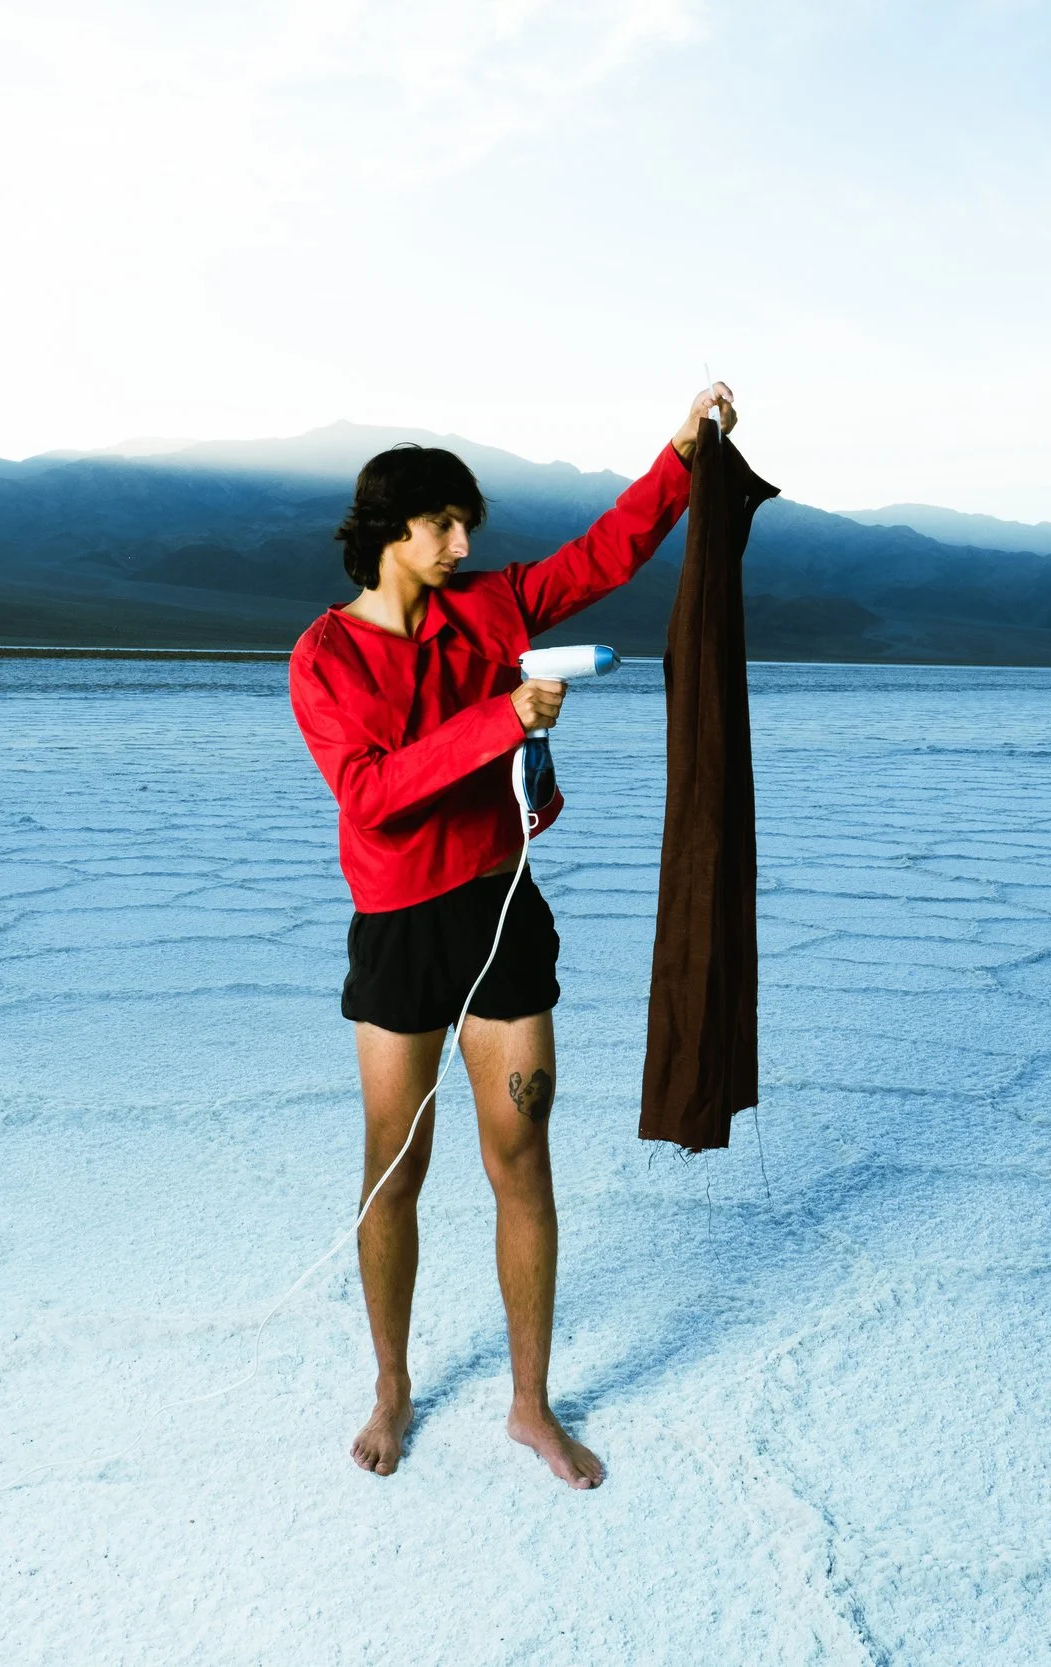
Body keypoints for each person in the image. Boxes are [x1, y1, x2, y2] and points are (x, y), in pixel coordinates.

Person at [287, 384, 737, 1487]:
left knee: (519, 1153)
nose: (463, 542)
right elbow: (372, 793)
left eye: (466, 525)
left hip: (500, 909)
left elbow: (603, 557)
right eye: (443, 524)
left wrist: (679, 456)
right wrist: (502, 717)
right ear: (388, 530)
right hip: (398, 928)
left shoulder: (486, 609)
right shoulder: (324, 658)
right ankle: (392, 1384)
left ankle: (530, 1403)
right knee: (395, 1167)